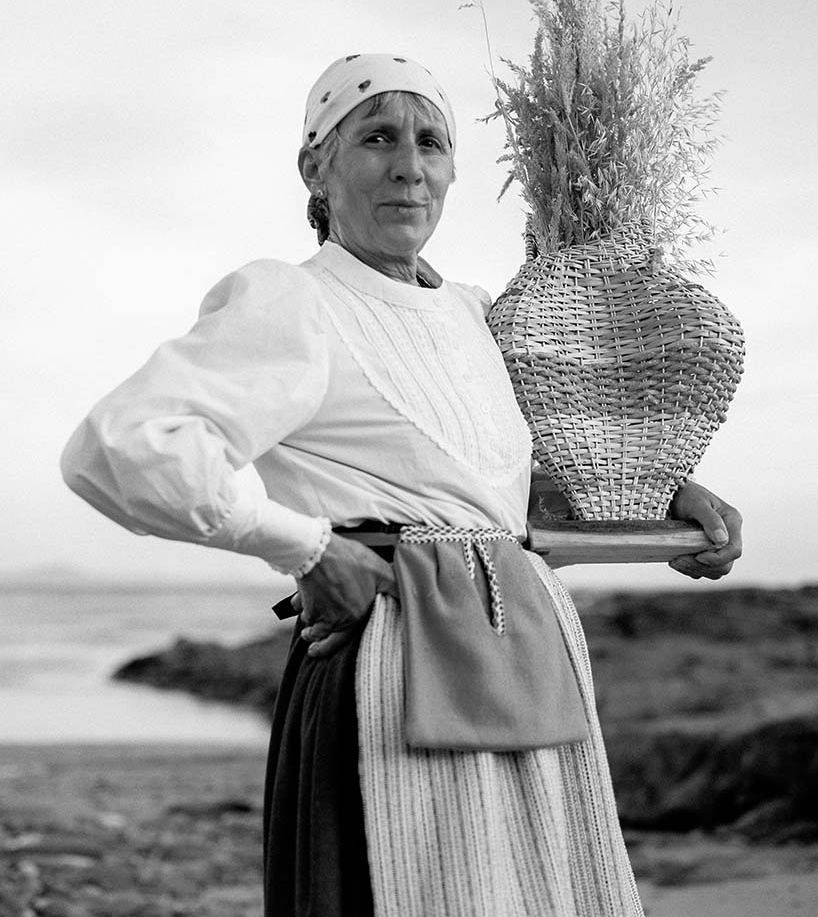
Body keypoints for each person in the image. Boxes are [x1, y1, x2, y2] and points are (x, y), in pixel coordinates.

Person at [61, 54, 742, 917]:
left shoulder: (475, 314)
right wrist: (306, 547)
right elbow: (121, 448)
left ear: (455, 168)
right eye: (376, 137)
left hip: (528, 659)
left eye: (431, 142)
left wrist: (666, 498)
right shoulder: (293, 303)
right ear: (317, 167)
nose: (408, 165)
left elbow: (496, 499)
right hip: (390, 666)